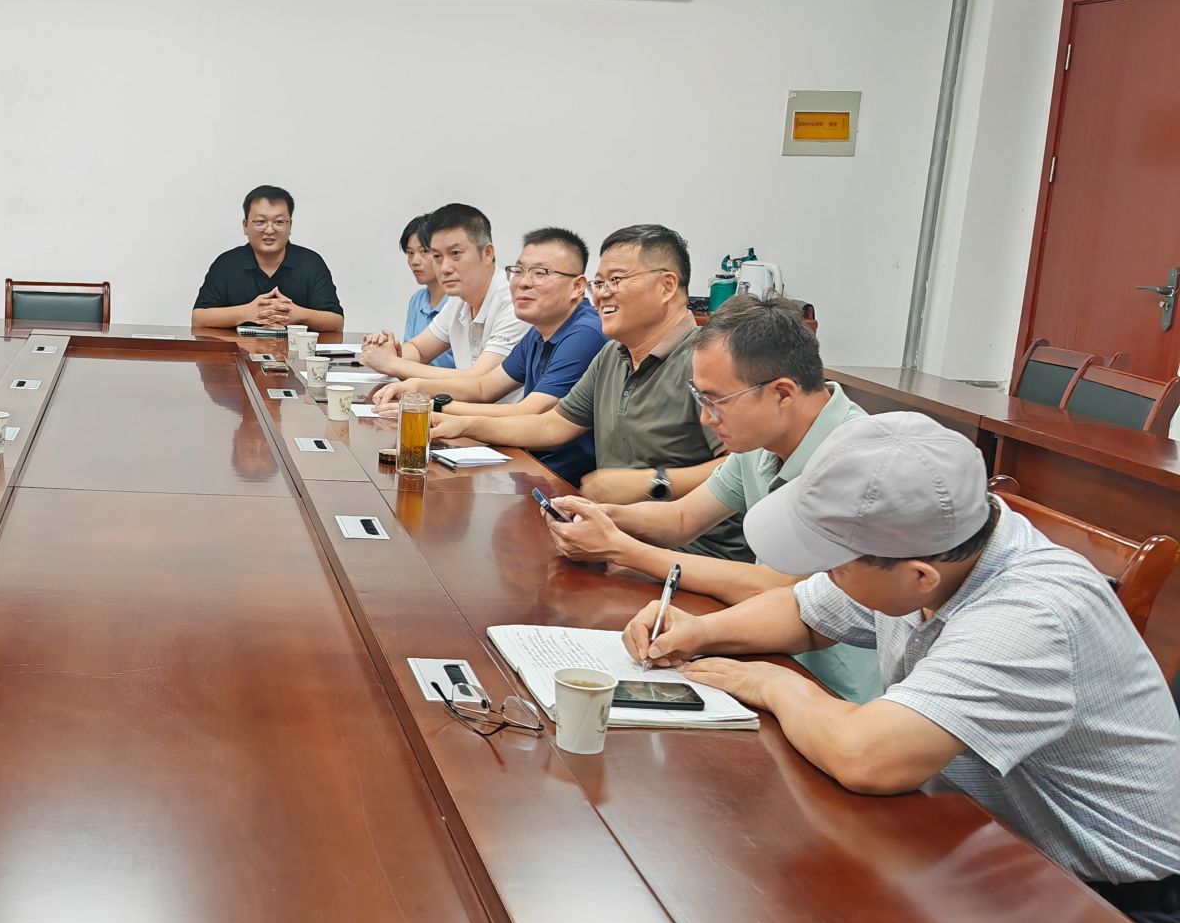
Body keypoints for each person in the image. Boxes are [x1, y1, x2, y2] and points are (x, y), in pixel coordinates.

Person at [626, 413, 1180, 923]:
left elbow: (868, 758)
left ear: (920, 578)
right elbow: (805, 611)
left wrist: (773, 684)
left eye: (837, 564)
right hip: (986, 841)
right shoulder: (940, 542)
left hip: (1110, 906)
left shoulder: (1029, 617)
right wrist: (700, 631)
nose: (826, 574)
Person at [545, 294, 879, 701]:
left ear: (782, 393)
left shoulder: (856, 462)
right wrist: (604, 515)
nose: (706, 417)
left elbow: (777, 588)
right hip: (764, 651)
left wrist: (620, 549)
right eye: (699, 398)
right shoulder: (761, 440)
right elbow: (683, 519)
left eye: (715, 401)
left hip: (830, 688)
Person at [434, 223, 746, 559]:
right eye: (600, 283)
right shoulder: (613, 354)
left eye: (616, 280)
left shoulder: (705, 359)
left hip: (693, 554)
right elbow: (551, 425)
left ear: (666, 286)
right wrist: (463, 424)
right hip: (613, 538)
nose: (601, 295)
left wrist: (654, 482)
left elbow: (743, 465)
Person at [371, 229, 605, 486]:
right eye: (518, 271)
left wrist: (435, 407)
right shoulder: (539, 330)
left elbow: (529, 413)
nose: (523, 282)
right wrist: (418, 389)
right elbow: (484, 387)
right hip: (530, 467)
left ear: (577, 287)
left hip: (564, 482)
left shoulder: (585, 333)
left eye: (540, 273)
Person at [359, 204, 524, 393]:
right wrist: (389, 353)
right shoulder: (459, 299)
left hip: (496, 411)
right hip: (461, 407)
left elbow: (479, 381)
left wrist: (392, 364)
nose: (445, 268)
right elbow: (419, 350)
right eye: (437, 256)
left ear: (487, 253)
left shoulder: (516, 300)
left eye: (455, 254)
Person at [190, 185, 344, 334]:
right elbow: (199, 318)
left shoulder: (311, 263)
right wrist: (247, 313)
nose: (269, 230)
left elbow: (336, 322)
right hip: (237, 350)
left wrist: (298, 315)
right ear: (245, 226)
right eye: (260, 222)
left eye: (279, 222)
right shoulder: (226, 264)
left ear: (290, 226)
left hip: (294, 351)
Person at [398, 215, 453, 369]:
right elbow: (409, 355)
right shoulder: (417, 300)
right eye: (410, 253)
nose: (415, 261)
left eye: (424, 251)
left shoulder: (459, 302)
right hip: (416, 382)